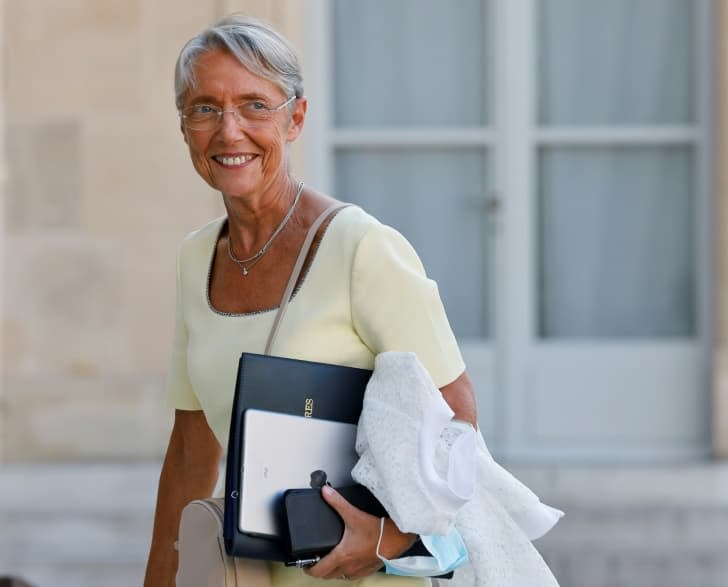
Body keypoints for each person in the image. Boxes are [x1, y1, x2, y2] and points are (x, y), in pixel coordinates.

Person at [144, 14, 478, 587]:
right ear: (183, 126)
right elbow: (190, 451)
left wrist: (383, 539)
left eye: (255, 105)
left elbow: (458, 418)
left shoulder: (360, 247)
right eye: (204, 108)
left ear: (296, 117)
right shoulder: (194, 258)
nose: (229, 131)